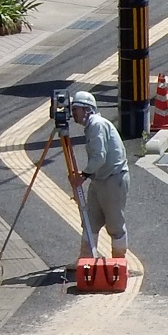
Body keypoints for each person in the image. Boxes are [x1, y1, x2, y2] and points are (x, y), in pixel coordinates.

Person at [67, 88, 130, 263]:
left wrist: (83, 175)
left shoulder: (96, 124)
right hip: (99, 179)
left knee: (115, 223)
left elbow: (99, 156)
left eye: (75, 110)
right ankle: (86, 259)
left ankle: (119, 262)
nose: (73, 114)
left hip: (113, 178)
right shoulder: (91, 126)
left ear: (87, 109)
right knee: (90, 221)